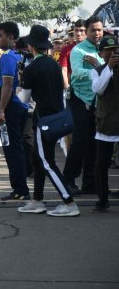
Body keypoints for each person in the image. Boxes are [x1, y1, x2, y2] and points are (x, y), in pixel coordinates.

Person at [17, 25, 79, 217]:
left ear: (31, 46)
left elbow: (23, 100)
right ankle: (37, 200)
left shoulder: (32, 68)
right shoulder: (53, 64)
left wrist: (18, 88)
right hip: (57, 118)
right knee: (38, 160)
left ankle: (68, 202)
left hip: (43, 119)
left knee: (46, 162)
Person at [63, 16, 104, 195]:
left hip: (100, 102)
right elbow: (77, 73)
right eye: (93, 30)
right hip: (80, 99)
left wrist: (98, 64)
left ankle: (90, 183)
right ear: (86, 32)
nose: (97, 33)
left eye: (99, 30)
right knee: (80, 141)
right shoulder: (78, 50)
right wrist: (97, 69)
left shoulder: (105, 48)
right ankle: (68, 180)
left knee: (95, 143)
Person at [0, 22, 30, 201]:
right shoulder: (23, 55)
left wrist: (1, 110)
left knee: (11, 148)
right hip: (23, 105)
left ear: (11, 37)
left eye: (0, 35)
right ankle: (22, 187)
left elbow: (7, 84)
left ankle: (20, 189)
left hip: (11, 107)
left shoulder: (7, 57)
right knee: (19, 147)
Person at [90, 35, 119, 212]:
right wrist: (109, 68)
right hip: (106, 123)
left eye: (115, 50)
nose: (112, 53)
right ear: (101, 54)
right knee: (101, 164)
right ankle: (102, 199)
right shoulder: (98, 70)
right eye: (108, 51)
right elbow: (98, 89)